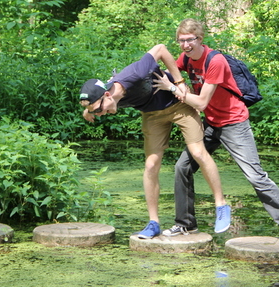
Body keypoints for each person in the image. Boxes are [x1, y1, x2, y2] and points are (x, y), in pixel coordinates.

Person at [152, 19, 279, 244]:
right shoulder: (186, 58)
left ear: (200, 39)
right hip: (211, 123)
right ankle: (186, 224)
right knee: (182, 167)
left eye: (190, 40)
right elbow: (169, 72)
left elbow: (201, 102)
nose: (185, 45)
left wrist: (173, 88)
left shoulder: (215, 61)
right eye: (181, 41)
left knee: (255, 176)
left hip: (234, 123)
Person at [79, 44, 231, 239]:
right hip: (152, 115)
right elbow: (94, 98)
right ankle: (153, 223)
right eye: (97, 112)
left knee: (198, 153)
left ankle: (221, 205)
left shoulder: (135, 73)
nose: (101, 114)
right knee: (151, 165)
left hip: (178, 104)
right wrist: (88, 111)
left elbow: (160, 49)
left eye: (100, 110)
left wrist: (179, 82)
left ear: (107, 95)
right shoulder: (104, 97)